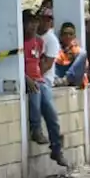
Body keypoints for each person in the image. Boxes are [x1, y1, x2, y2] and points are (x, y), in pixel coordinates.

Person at [23, 10, 67, 167]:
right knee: (36, 96)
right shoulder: (23, 42)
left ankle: (56, 148)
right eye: (32, 22)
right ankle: (36, 130)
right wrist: (27, 79)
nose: (35, 25)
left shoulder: (44, 41)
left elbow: (43, 63)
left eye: (36, 21)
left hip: (42, 79)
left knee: (51, 113)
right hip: (32, 80)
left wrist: (36, 78)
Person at [54, 22, 89, 88]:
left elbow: (85, 67)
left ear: (74, 36)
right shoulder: (57, 47)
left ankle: (66, 79)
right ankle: (60, 81)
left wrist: (72, 53)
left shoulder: (77, 49)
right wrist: (64, 51)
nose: (68, 36)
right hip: (60, 77)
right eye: (65, 34)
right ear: (61, 36)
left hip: (73, 78)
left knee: (83, 53)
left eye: (70, 34)